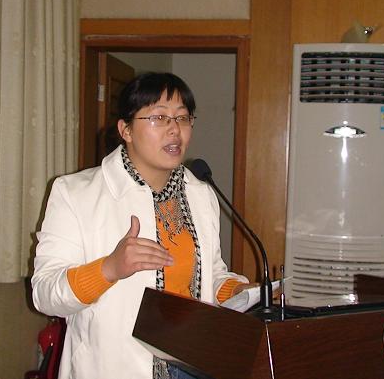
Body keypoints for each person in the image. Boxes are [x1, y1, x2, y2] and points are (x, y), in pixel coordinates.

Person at [32, 72, 251, 379]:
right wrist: (109, 268)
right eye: (159, 117)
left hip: (194, 362)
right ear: (126, 130)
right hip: (114, 367)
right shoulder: (75, 193)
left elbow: (209, 276)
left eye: (183, 118)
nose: (174, 129)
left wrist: (241, 292)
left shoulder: (201, 193)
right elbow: (44, 294)